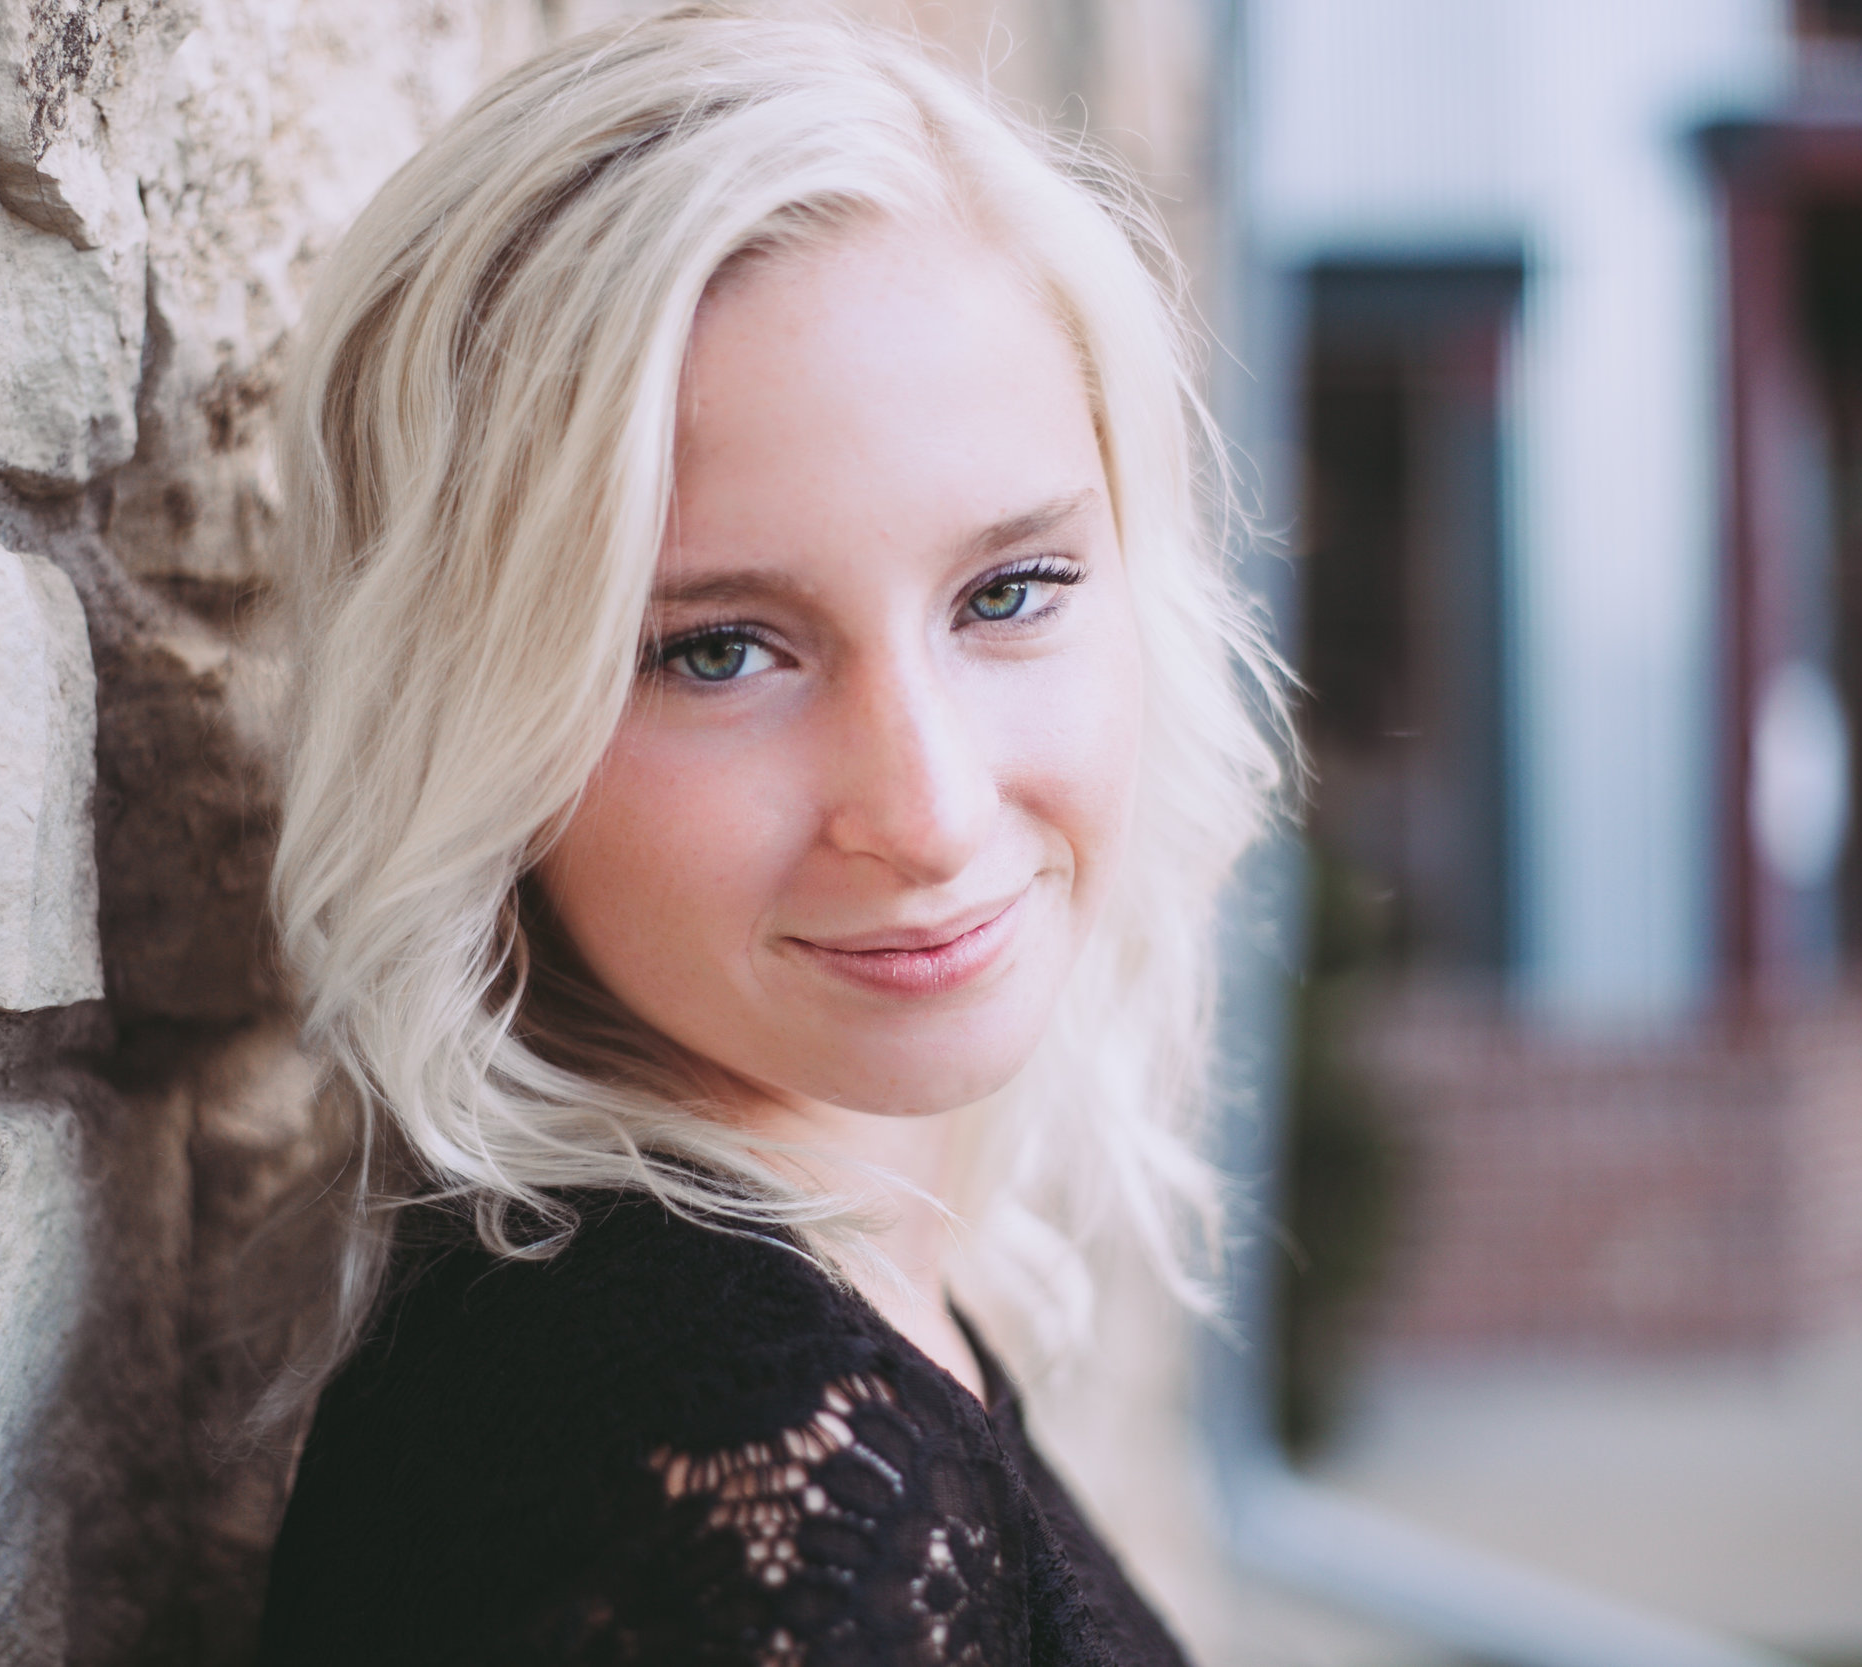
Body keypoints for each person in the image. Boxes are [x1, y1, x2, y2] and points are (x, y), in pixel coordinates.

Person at [253, 7, 1281, 1662]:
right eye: (717, 650)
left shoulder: (769, 1330)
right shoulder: (743, 1486)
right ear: (473, 725)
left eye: (1008, 593)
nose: (931, 812)